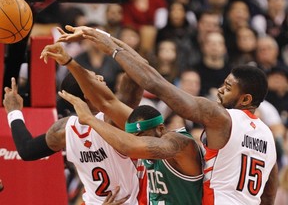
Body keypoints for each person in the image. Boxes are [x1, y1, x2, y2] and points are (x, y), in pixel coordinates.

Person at [57, 26, 278, 204]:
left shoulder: (221, 118)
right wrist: (104, 39)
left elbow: (155, 83)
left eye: (228, 87)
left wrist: (110, 48)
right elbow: (268, 196)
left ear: (245, 99)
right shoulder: (269, 139)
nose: (220, 89)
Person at [40, 42, 204, 204]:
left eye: (142, 135)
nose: (136, 138)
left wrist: (105, 43)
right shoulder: (141, 160)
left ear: (160, 129)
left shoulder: (179, 144)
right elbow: (107, 103)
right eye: (134, 134)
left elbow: (127, 140)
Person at [3, 72, 142, 204]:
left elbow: (27, 149)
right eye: (95, 77)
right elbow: (135, 76)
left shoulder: (64, 129)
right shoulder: (113, 120)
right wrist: (115, 49)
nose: (101, 77)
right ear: (87, 93)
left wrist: (14, 111)